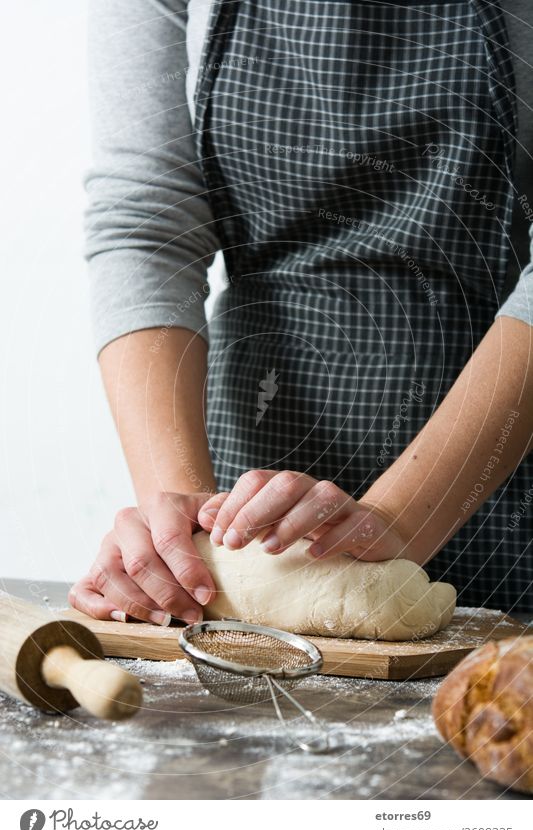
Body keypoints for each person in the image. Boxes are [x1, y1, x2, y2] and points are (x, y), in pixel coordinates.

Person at [70, 0, 533, 626]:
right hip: (249, 473)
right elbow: (146, 224)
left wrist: (395, 520)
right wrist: (183, 529)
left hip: (497, 469)